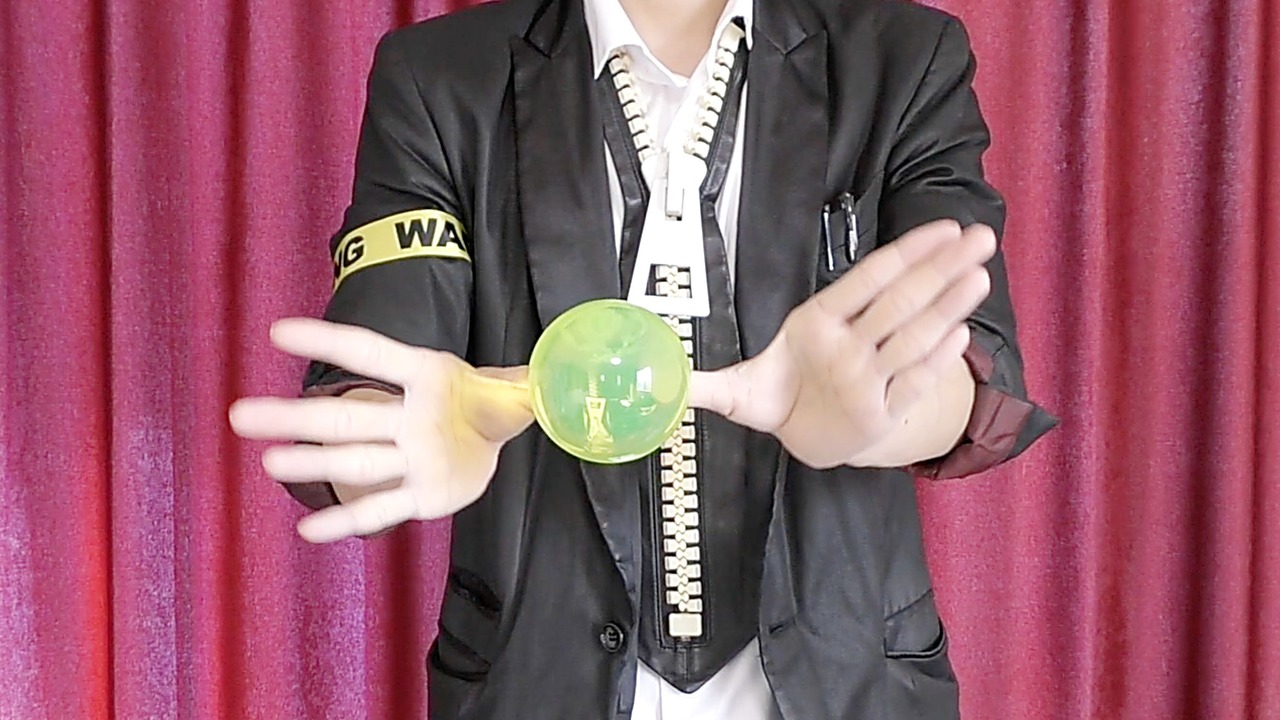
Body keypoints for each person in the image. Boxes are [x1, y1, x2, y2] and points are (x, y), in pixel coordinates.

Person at [229, 0, 1056, 717]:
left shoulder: (904, 58)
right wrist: (389, 439)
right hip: (536, 677)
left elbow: (976, 372)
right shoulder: (441, 76)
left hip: (848, 680)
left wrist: (881, 414)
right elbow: (381, 358)